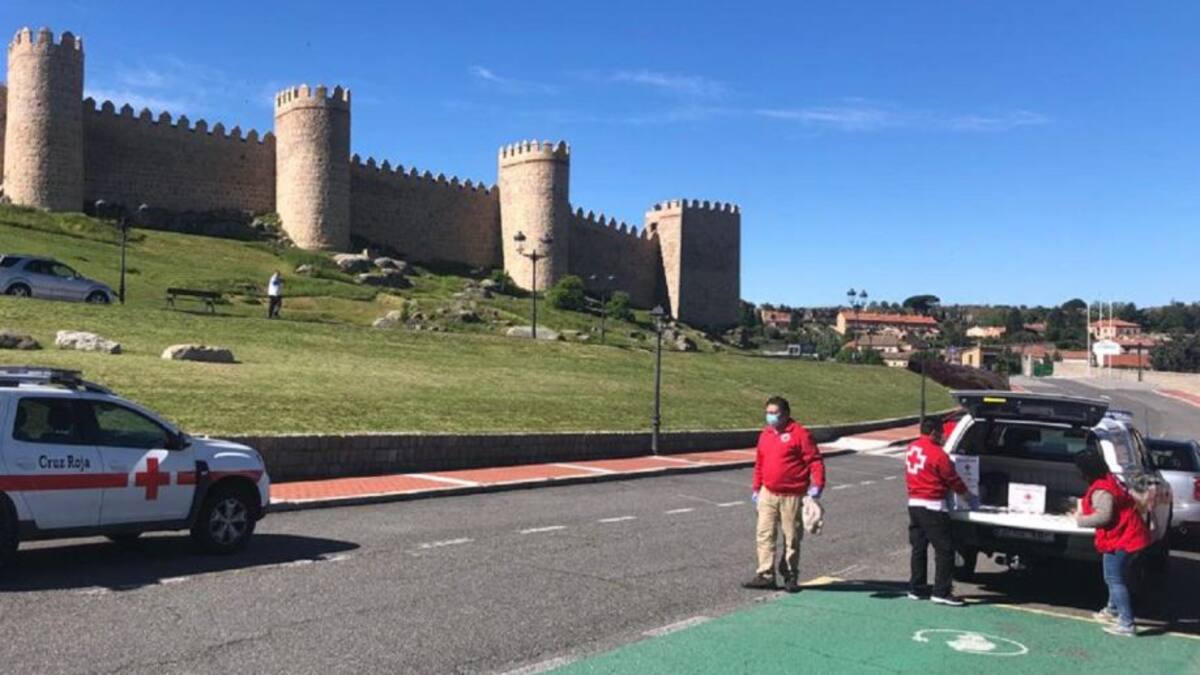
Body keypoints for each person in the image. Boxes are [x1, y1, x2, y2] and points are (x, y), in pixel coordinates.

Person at [743, 396, 825, 593]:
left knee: (792, 537)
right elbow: (760, 462)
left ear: (786, 414)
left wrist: (817, 485)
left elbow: (814, 460)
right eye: (768, 413)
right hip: (768, 493)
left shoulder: (800, 434)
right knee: (764, 534)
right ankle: (765, 574)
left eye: (774, 413)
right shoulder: (766, 434)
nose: (770, 417)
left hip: (792, 495)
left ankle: (789, 573)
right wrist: (756, 488)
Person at [1074, 445, 1150, 637]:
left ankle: (1126, 622)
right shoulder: (1110, 480)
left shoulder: (1102, 490)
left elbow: (1104, 517)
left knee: (1114, 579)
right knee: (1118, 576)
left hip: (1122, 538)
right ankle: (1112, 609)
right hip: (1130, 535)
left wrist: (1080, 519)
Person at [905, 417, 977, 606]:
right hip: (933, 505)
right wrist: (968, 496)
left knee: (919, 548)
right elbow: (952, 479)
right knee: (945, 550)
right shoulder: (938, 454)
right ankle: (941, 591)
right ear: (934, 432)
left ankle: (917, 587)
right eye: (941, 433)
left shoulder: (912, 448)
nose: (943, 436)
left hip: (914, 503)